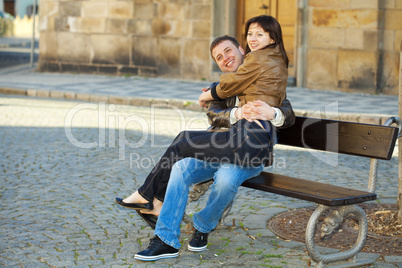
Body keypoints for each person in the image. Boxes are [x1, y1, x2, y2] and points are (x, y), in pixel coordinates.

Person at [134, 15, 290, 261]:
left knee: (226, 179)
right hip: (218, 147)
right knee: (180, 167)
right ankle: (165, 238)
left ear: (241, 50)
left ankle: (202, 225)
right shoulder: (219, 89)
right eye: (219, 57)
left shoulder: (264, 71)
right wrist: (236, 112)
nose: (226, 58)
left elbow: (288, 113)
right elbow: (214, 115)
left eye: (228, 51)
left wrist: (273, 113)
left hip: (247, 152)